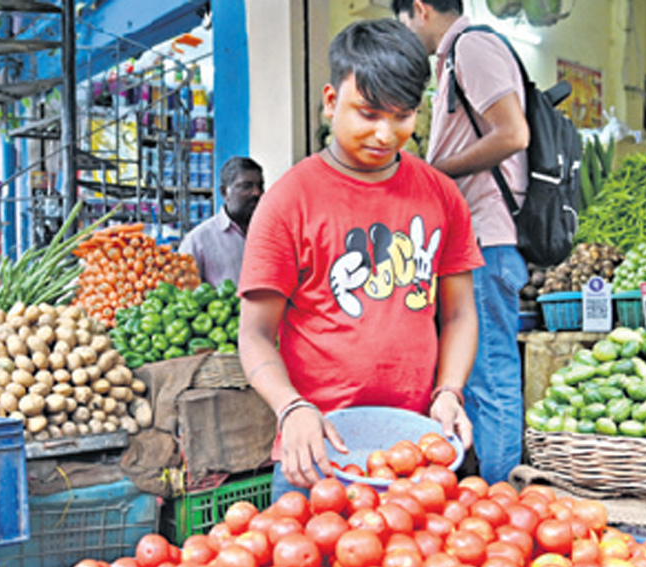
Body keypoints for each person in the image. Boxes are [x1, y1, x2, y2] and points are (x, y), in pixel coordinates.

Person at [238, 18, 483, 493]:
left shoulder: (442, 196)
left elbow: (459, 315)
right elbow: (254, 335)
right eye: (369, 114)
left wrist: (449, 391)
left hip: (415, 450)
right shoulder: (289, 201)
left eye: (403, 115)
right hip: (317, 453)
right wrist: (291, 406)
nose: (386, 134)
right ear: (332, 102)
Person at [396, 0, 531, 485]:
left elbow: (513, 133)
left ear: (420, 8)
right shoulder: (455, 57)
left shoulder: (472, 47)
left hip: (486, 240)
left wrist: (434, 173)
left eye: (404, 23)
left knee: (490, 377)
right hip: (471, 242)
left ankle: (499, 501)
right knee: (474, 379)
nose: (407, 34)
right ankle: (486, 496)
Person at [178, 156, 265, 286]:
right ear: (224, 192)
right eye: (247, 186)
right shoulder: (198, 241)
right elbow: (184, 295)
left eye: (260, 186)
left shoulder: (271, 233)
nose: (257, 193)